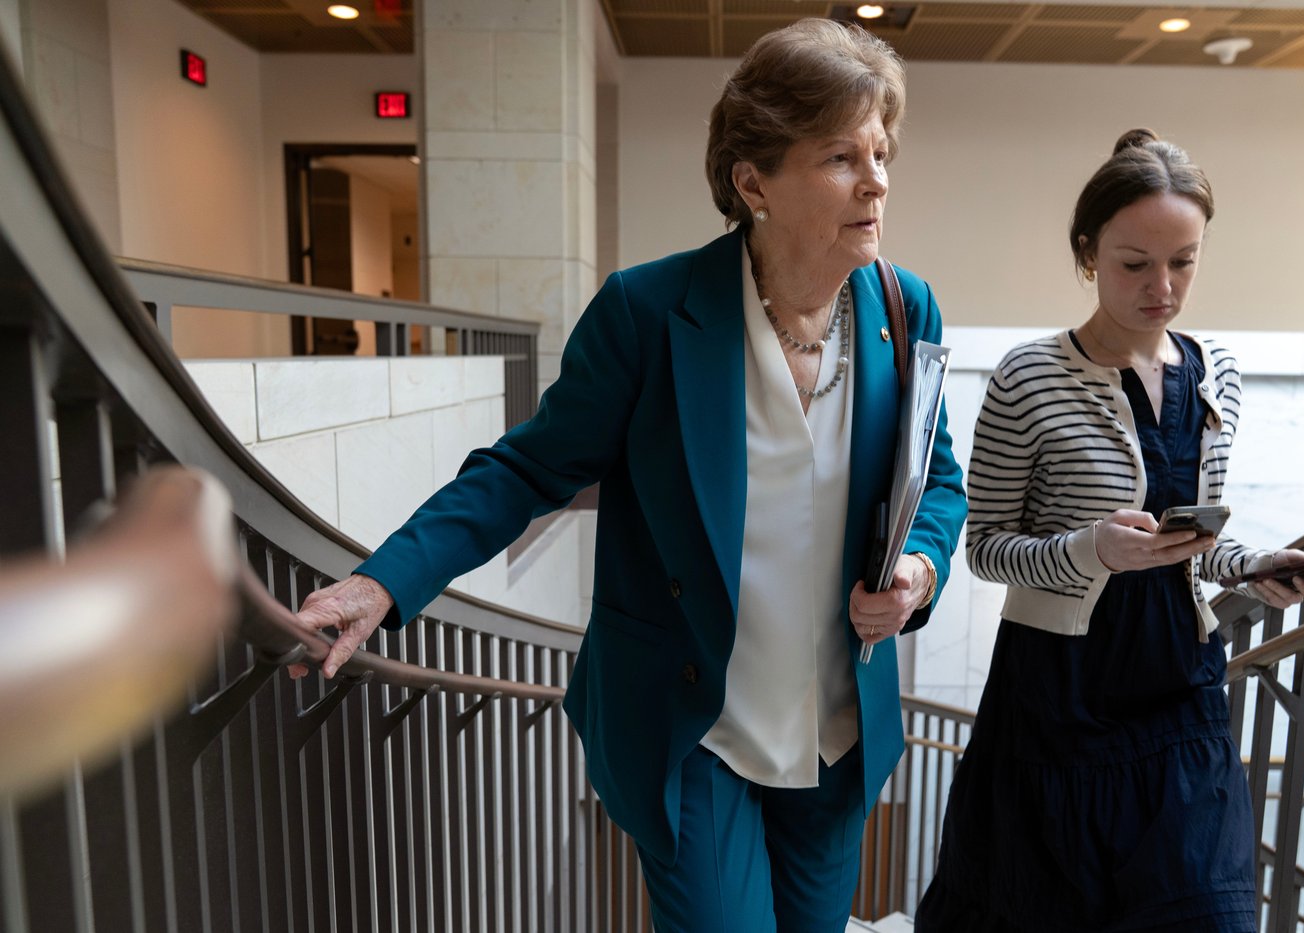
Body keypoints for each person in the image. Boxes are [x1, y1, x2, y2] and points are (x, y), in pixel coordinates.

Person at [290, 19, 967, 932]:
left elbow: (939, 481)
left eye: (880, 152)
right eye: (841, 157)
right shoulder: (647, 313)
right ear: (753, 183)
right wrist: (383, 582)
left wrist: (921, 571)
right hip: (695, 729)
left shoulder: (903, 307)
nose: (877, 179)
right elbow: (523, 469)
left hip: (837, 734)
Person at [914, 129, 1304, 933]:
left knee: (1207, 911)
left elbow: (1188, 542)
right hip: (1056, 691)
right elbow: (986, 544)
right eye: (1135, 263)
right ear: (1087, 253)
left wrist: (1251, 565)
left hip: (1180, 683)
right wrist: (1091, 548)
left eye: (1183, 262)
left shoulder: (1217, 372)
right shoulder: (1027, 376)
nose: (1162, 287)